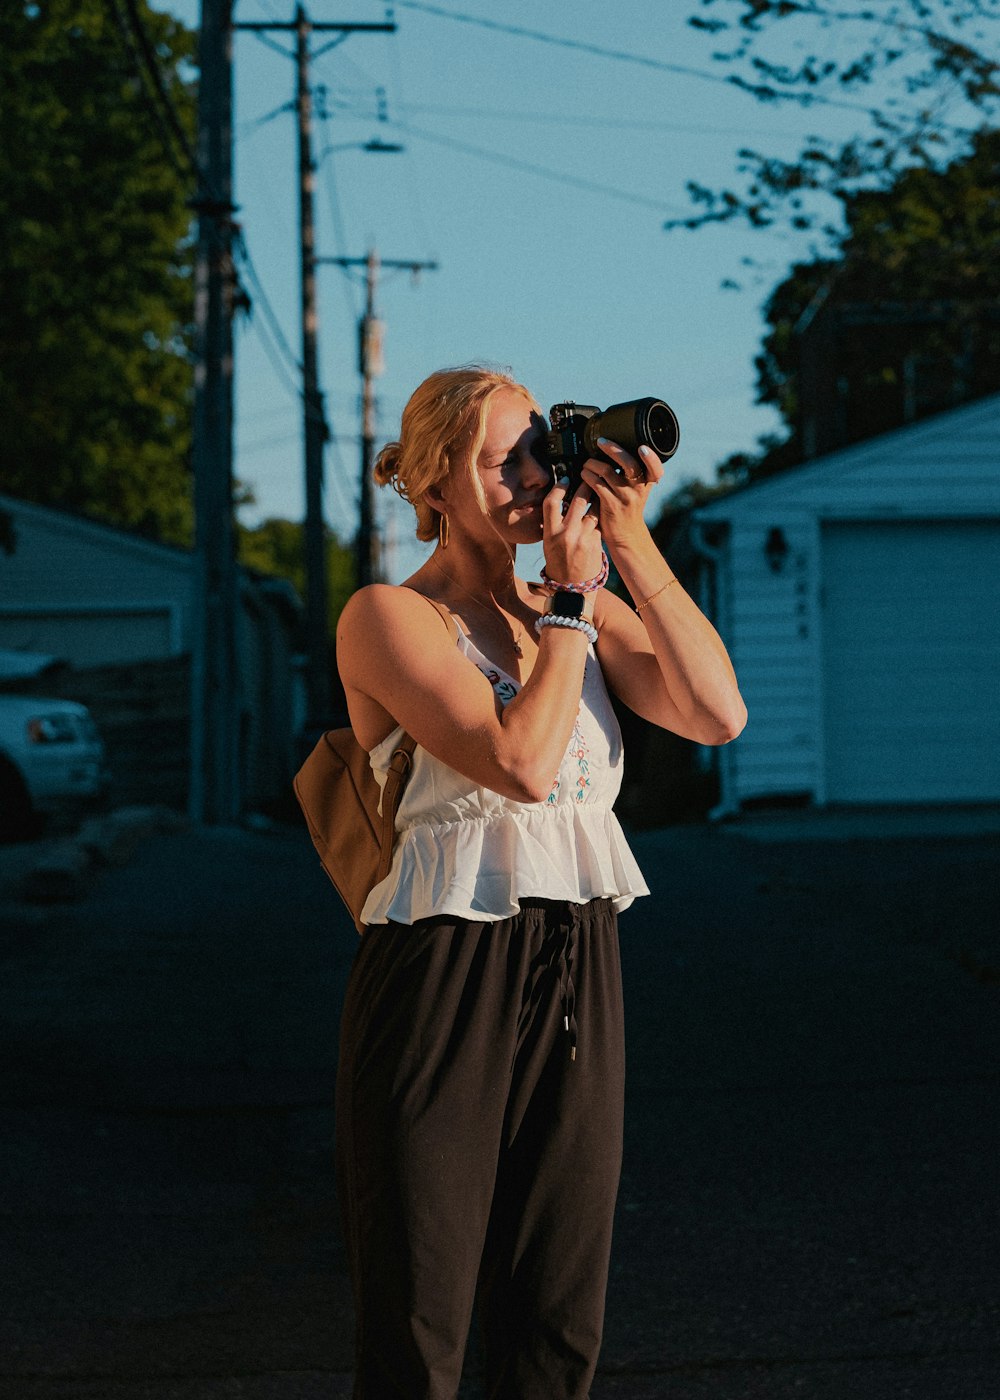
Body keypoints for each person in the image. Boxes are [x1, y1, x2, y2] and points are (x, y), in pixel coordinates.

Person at [334, 365, 746, 1400]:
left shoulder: (578, 609)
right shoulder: (391, 617)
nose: (532, 477)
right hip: (440, 967)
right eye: (502, 458)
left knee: (558, 1308)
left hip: (576, 957)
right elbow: (516, 760)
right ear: (435, 480)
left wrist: (629, 540)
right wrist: (568, 600)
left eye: (539, 451)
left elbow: (715, 714)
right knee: (421, 1315)